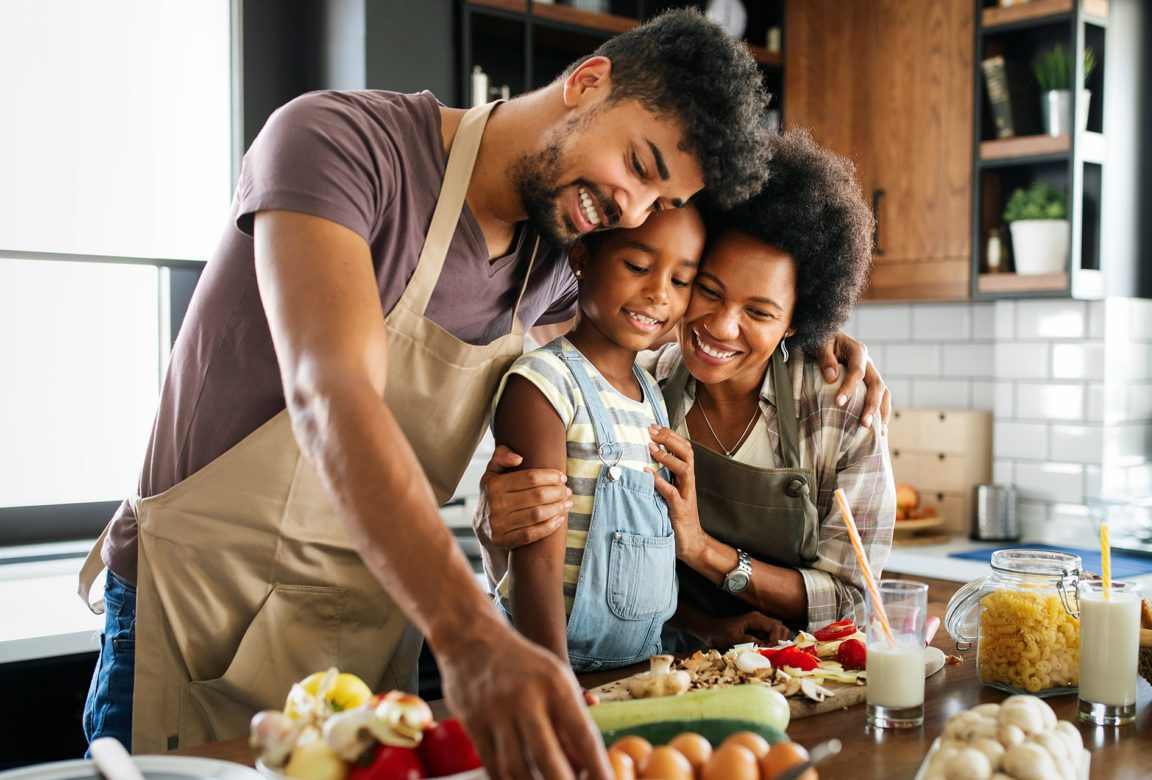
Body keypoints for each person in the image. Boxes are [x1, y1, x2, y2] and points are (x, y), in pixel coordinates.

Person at [78, 10, 782, 776]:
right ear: (587, 84)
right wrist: (473, 635)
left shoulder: (555, 266)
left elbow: (634, 367)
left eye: (658, 203)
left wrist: (806, 355)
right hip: (203, 614)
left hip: (368, 634)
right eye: (641, 168)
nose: (631, 212)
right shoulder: (338, 145)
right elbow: (331, 394)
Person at [477, 130, 896, 654]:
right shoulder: (641, 381)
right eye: (707, 289)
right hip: (662, 666)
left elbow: (853, 597)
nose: (720, 326)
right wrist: (497, 518)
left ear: (798, 323)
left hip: (803, 673)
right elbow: (559, 554)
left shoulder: (839, 410)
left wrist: (703, 550)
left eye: (760, 312)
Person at [491, 206, 703, 673]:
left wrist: (716, 628)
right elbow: (538, 561)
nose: (658, 294)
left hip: (637, 669)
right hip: (546, 668)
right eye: (638, 267)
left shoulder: (652, 396)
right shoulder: (543, 384)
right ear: (581, 258)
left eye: (681, 281)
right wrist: (555, 683)